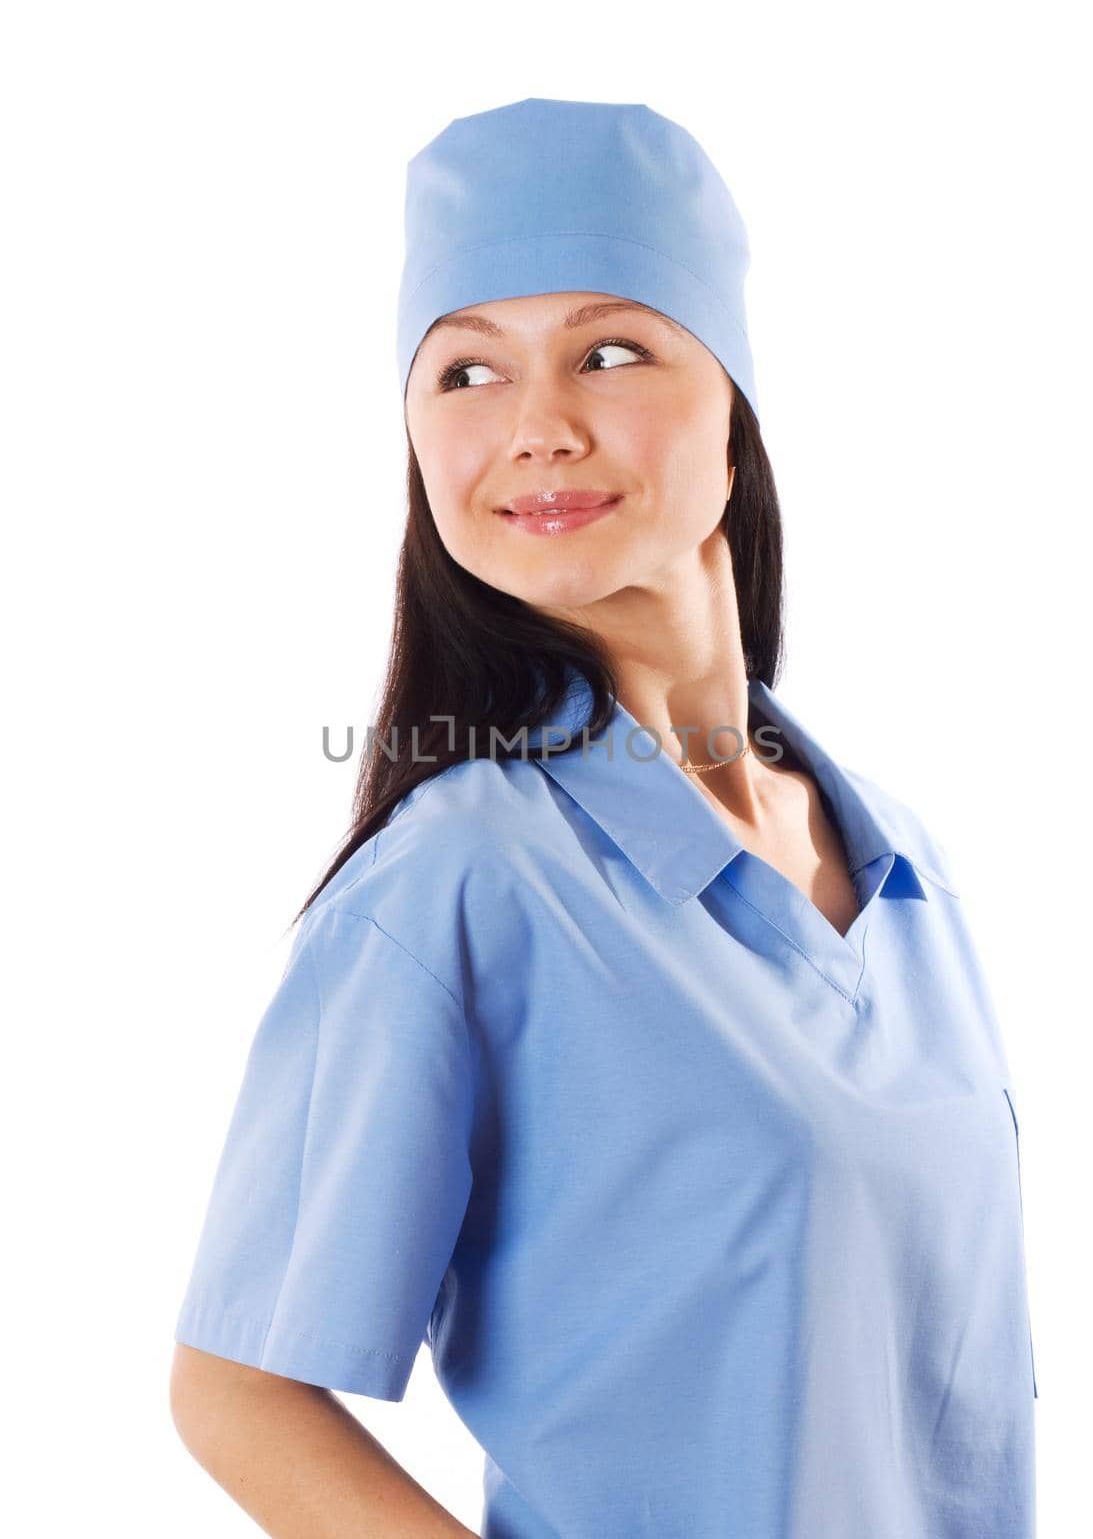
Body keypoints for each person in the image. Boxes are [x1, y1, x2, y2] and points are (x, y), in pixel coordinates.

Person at [169, 97, 1038, 1539]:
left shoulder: (901, 870)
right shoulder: (461, 879)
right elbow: (238, 1393)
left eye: (611, 351)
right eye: (463, 374)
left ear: (734, 411)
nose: (537, 429)